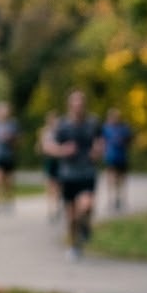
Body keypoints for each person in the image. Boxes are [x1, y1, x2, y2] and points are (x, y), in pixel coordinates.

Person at [42, 90, 105, 261]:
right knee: (70, 217)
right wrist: (62, 150)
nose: (78, 107)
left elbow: (101, 142)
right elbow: (47, 146)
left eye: (81, 104)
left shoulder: (92, 123)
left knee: (86, 206)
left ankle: (85, 226)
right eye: (75, 104)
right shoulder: (62, 125)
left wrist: (97, 151)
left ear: (84, 105)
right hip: (68, 175)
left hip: (87, 173)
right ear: (69, 106)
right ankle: (74, 246)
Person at [101, 107, 133, 212]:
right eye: (113, 116)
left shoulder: (124, 128)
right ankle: (111, 199)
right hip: (110, 157)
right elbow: (101, 142)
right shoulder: (105, 129)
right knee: (111, 178)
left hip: (122, 157)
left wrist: (124, 143)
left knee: (122, 179)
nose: (115, 118)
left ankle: (121, 198)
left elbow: (130, 141)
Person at [36, 110, 61, 222]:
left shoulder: (61, 131)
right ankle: (51, 209)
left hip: (59, 161)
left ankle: (57, 205)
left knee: (58, 186)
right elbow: (39, 147)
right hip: (49, 161)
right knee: (49, 185)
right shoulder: (44, 131)